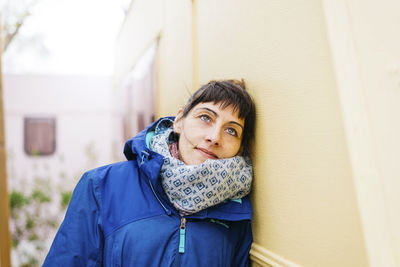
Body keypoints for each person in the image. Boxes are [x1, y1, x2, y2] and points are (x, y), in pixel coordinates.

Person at [43, 79, 256, 267]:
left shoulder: (236, 210)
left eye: (231, 130)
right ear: (180, 120)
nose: (214, 136)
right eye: (205, 118)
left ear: (241, 147)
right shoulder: (102, 186)